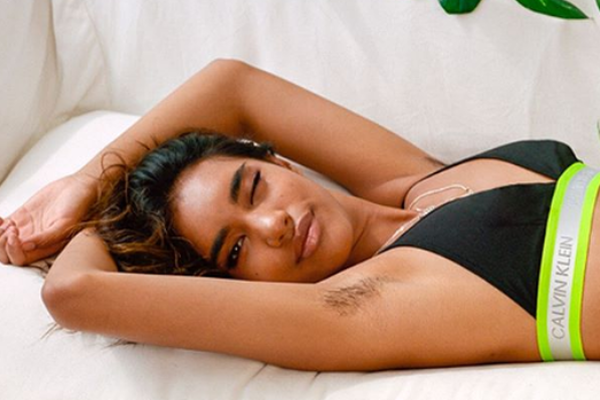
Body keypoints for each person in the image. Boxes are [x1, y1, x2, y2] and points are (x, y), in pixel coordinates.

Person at [1, 59, 599, 371]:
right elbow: (74, 293)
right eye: (237, 250)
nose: (273, 225)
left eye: (254, 187)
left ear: (280, 160)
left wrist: (86, 179)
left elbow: (231, 85)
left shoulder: (415, 182)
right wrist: (95, 213)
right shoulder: (357, 305)